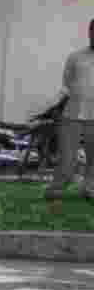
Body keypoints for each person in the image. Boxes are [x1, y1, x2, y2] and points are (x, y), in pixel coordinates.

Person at [46, 17, 94, 201]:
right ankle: (55, 189)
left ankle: (89, 189)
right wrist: (56, 105)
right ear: (89, 32)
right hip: (71, 115)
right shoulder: (75, 57)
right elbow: (66, 85)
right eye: (93, 31)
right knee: (68, 157)